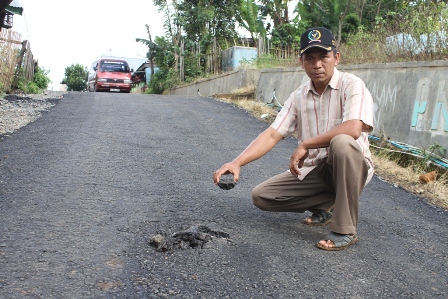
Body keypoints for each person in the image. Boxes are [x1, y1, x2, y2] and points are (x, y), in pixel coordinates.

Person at [213, 27, 374, 251]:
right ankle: (325, 204)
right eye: (310, 58)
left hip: (353, 167)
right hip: (317, 171)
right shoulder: (298, 96)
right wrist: (236, 162)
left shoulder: (352, 85)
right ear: (302, 62)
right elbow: (272, 134)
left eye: (323, 57)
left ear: (336, 58)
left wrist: (307, 144)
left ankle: (344, 229)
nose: (317, 64)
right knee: (262, 196)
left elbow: (354, 128)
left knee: (342, 142)